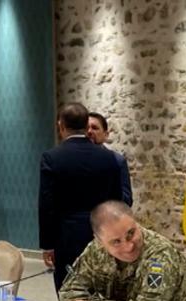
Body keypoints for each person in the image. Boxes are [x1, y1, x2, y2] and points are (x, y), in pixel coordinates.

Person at [59, 200, 186, 301]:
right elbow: (68, 292)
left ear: (136, 221)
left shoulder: (161, 254)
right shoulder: (95, 250)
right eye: (116, 242)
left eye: (131, 233)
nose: (128, 246)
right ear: (100, 241)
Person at [39, 102, 125, 291]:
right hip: (101, 234)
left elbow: (47, 204)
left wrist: (47, 244)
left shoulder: (52, 158)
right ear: (86, 126)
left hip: (66, 235)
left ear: (61, 125)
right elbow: (117, 202)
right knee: (101, 287)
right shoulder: (110, 158)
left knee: (69, 288)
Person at [87, 112, 133, 206]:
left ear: (106, 134)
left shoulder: (117, 160)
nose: (89, 131)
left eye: (94, 128)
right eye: (86, 128)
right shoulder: (74, 159)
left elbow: (127, 200)